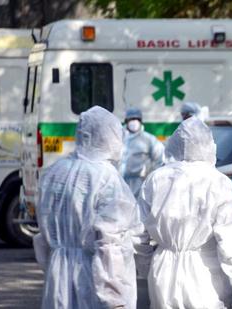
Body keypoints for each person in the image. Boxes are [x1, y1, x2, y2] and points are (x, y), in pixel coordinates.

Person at [135, 117, 232, 309]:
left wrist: (145, 267)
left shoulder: (155, 179)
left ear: (172, 145)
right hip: (204, 274)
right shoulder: (217, 181)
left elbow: (137, 234)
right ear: (209, 146)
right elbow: (230, 243)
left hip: (162, 272)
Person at [33, 106, 142, 308]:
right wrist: (114, 298)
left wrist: (54, 267)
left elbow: (43, 236)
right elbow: (110, 246)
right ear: (109, 136)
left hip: (57, 275)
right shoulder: (107, 178)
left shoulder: (54, 172)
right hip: (91, 278)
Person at [120, 107, 165, 198]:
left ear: (141, 121)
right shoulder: (119, 138)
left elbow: (160, 160)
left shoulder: (148, 139)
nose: (134, 122)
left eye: (137, 119)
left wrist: (152, 179)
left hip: (140, 184)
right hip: (120, 183)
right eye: (131, 119)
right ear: (126, 121)